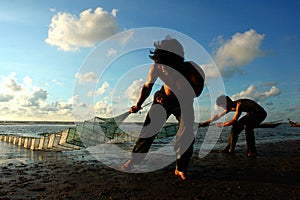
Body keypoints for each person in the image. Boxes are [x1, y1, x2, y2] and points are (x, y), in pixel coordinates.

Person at [121, 36, 205, 180]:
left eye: (167, 67)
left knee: (186, 134)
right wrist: (138, 104)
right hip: (162, 100)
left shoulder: (192, 69)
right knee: (148, 131)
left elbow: (196, 92)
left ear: (178, 61)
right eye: (160, 66)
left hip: (184, 102)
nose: (163, 70)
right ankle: (134, 161)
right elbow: (147, 87)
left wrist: (179, 94)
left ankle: (181, 168)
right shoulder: (156, 67)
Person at [202, 95, 267, 157]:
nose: (223, 108)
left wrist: (222, 125)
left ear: (227, 103)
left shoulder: (239, 105)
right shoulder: (231, 106)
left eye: (223, 106)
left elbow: (234, 120)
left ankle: (252, 151)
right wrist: (206, 122)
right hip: (250, 114)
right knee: (235, 128)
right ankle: (229, 148)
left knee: (248, 128)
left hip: (260, 114)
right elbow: (219, 116)